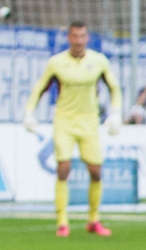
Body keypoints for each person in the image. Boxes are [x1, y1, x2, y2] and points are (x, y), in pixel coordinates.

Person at [23, 22, 123, 237]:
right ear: (68, 38)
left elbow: (114, 87)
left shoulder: (98, 61)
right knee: (63, 168)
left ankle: (93, 220)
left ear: (87, 38)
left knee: (96, 172)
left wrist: (115, 113)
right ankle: (62, 221)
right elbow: (39, 88)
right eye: (75, 36)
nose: (78, 40)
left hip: (90, 122)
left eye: (82, 36)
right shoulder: (57, 63)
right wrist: (29, 112)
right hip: (65, 121)